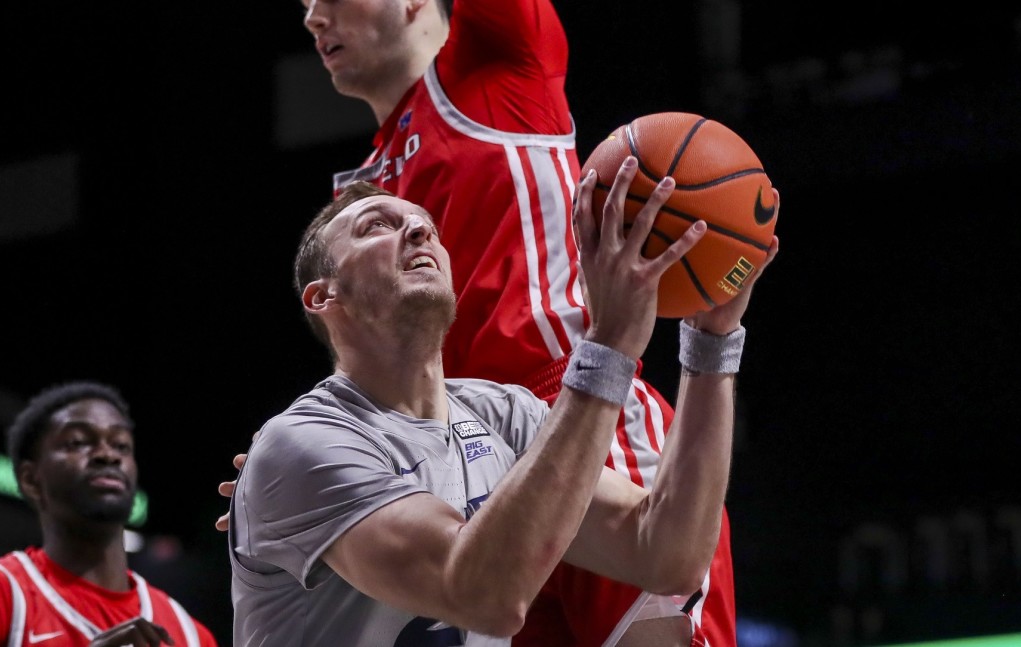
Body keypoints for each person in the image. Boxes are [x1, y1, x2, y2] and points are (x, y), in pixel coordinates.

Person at [232, 0, 750, 643]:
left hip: (579, 402)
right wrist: (298, 469)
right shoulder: (362, 193)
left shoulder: (498, 63)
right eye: (304, 7)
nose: (312, 18)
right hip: (453, 465)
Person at [0, 380, 221, 647]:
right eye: (78, 442)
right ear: (32, 480)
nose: (107, 454)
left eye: (121, 445)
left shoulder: (192, 636)